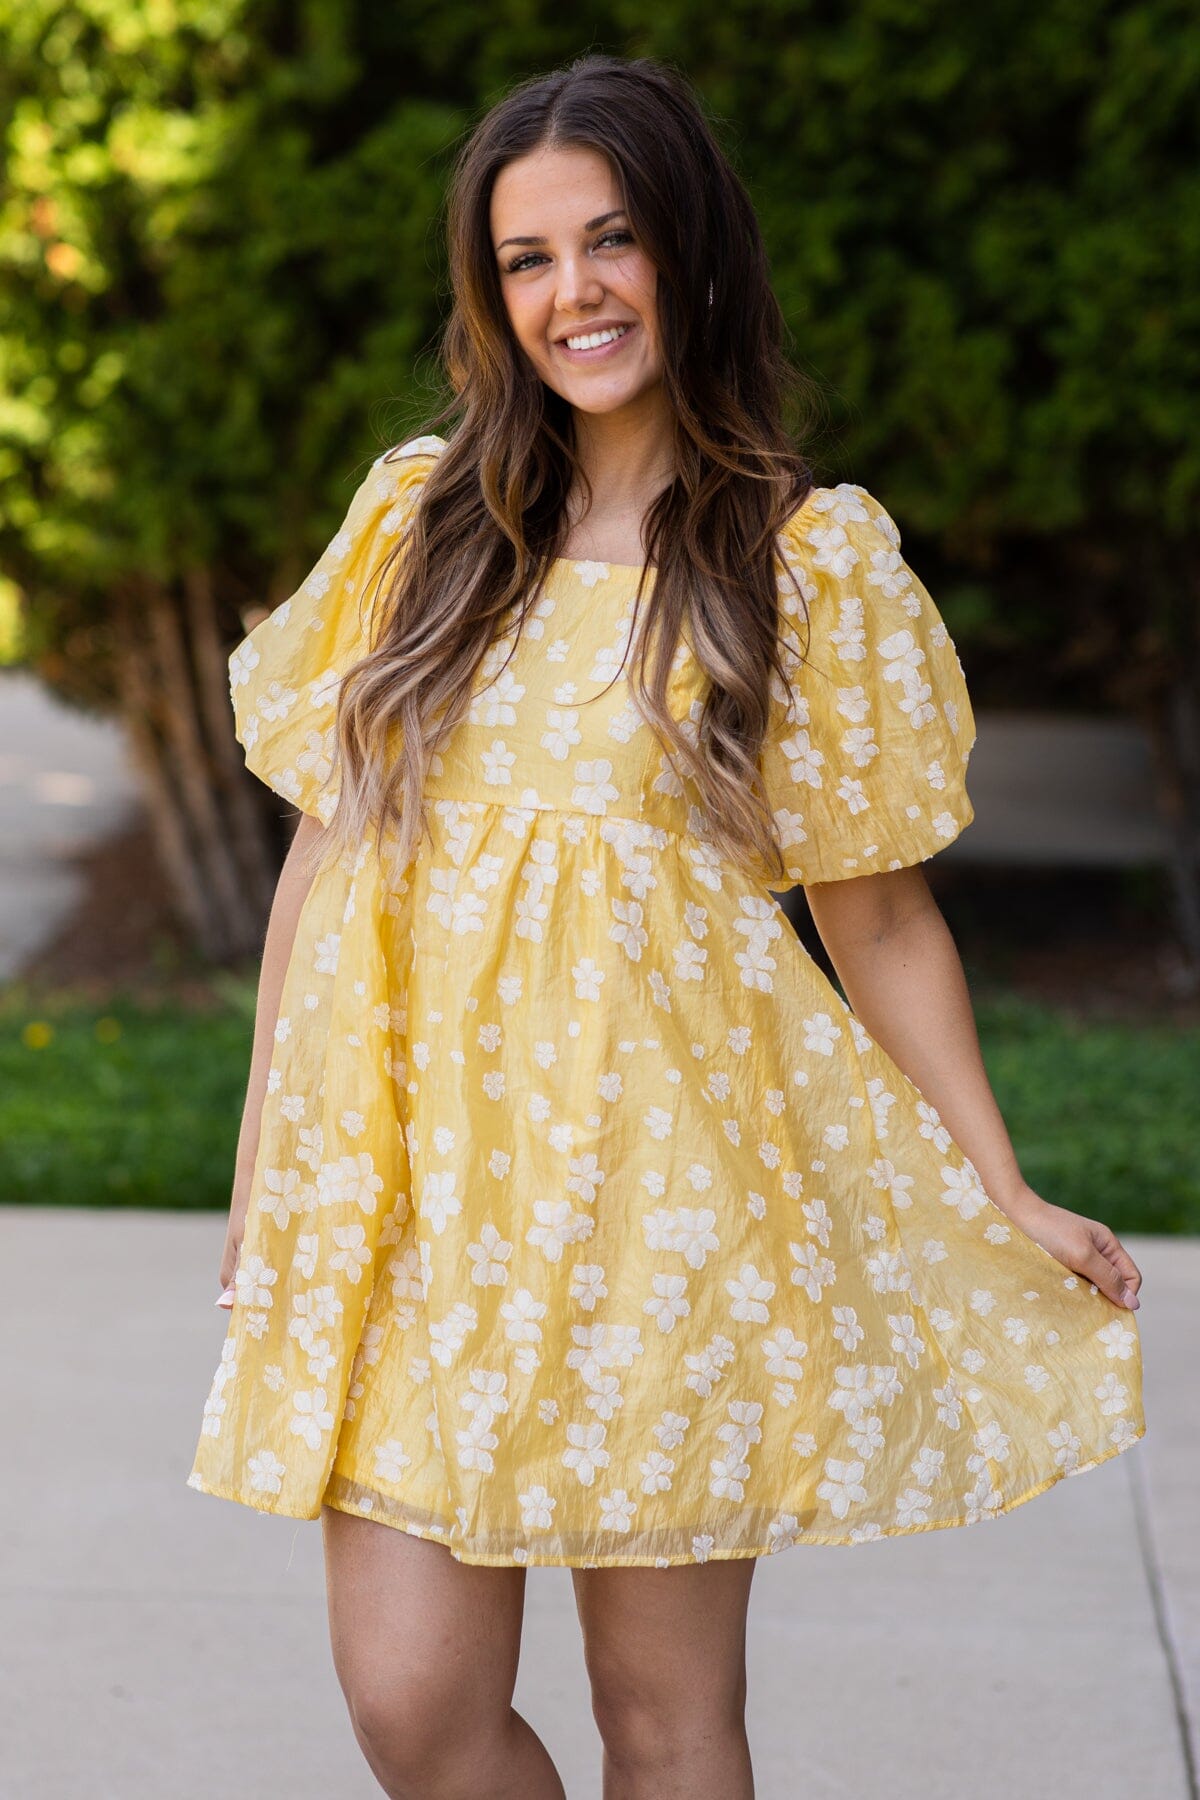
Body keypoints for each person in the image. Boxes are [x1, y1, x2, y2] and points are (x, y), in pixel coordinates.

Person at [188, 52, 1146, 1800]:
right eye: (530, 259)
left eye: (611, 240)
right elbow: (323, 871)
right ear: (492, 297)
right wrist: (268, 1172)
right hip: (410, 1194)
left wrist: (995, 1183)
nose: (576, 293)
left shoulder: (802, 560)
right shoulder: (422, 524)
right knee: (414, 1702)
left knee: (665, 1717)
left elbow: (879, 913)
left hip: (664, 1196)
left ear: (688, 252)